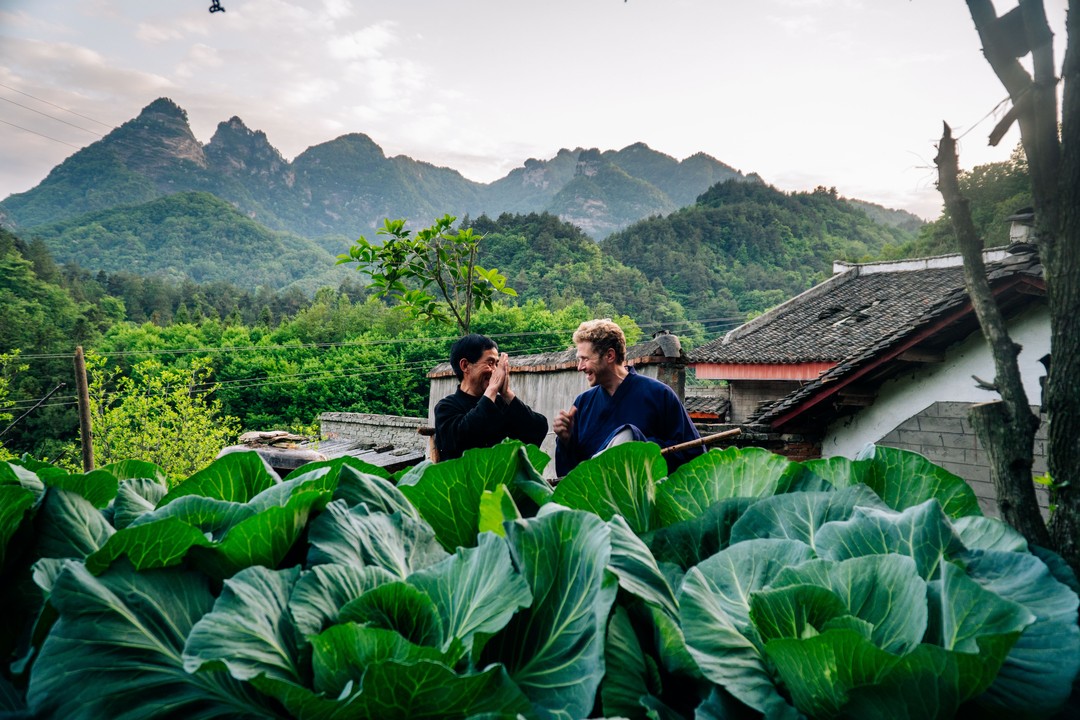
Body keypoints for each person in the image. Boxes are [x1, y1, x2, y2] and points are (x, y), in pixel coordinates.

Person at [554, 319, 703, 476]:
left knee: (628, 433)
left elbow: (693, 453)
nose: (580, 367)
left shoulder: (658, 394)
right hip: (598, 498)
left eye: (585, 359)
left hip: (645, 497)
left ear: (609, 355)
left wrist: (639, 448)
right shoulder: (582, 404)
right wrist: (565, 441)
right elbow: (568, 476)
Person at [434, 333, 548, 461]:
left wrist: (507, 394)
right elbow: (461, 442)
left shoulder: (501, 404)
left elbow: (538, 430)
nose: (495, 371)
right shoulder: (446, 407)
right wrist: (492, 389)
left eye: (497, 364)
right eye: (490, 363)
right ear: (465, 365)